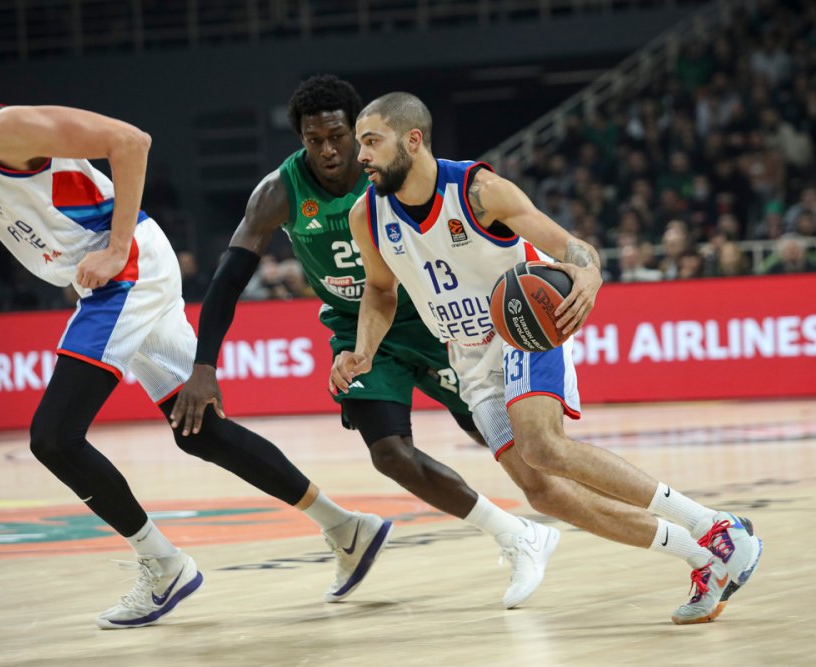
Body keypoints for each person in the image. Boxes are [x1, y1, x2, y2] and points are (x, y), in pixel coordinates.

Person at [0, 92, 392, 629]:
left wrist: (117, 249)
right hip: (114, 275)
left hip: (125, 270)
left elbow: (130, 140)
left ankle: (163, 564)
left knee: (53, 436)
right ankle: (346, 526)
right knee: (200, 430)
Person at [333, 92, 764, 625]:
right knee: (542, 492)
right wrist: (362, 352)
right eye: (360, 145)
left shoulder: (479, 190)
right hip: (468, 361)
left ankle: (715, 527)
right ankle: (706, 559)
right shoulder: (366, 216)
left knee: (543, 445)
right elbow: (380, 292)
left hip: (524, 327)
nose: (362, 156)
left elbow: (573, 247)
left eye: (371, 141)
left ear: (412, 140)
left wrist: (588, 270)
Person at [170, 75, 556, 609]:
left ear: (359, 131)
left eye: (338, 136)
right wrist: (204, 364)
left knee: (514, 447)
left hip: (432, 320)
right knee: (389, 453)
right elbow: (228, 280)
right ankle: (515, 534)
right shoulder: (279, 192)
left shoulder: (388, 175)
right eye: (313, 140)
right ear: (301, 140)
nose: (328, 150)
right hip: (361, 333)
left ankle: (630, 513)